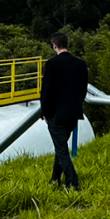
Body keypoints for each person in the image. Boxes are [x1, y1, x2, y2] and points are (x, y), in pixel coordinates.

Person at [40, 32, 89, 191]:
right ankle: (54, 180)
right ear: (67, 44)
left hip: (56, 114)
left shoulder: (51, 64)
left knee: (61, 150)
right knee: (60, 147)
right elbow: (83, 90)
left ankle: (73, 183)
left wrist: (45, 112)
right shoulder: (80, 64)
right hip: (73, 112)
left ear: (54, 45)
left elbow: (46, 91)